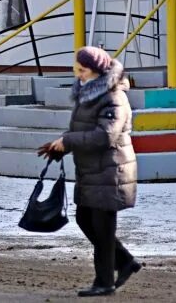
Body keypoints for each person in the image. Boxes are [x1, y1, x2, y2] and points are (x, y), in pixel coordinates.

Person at [39, 46, 141, 297]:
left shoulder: (114, 97)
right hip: (92, 172)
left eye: (83, 70)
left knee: (102, 227)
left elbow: (105, 136)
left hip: (111, 172)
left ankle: (104, 281)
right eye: (78, 70)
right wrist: (60, 146)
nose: (79, 75)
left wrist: (69, 141)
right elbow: (84, 129)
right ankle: (125, 261)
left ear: (97, 71)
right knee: (85, 219)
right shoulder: (89, 94)